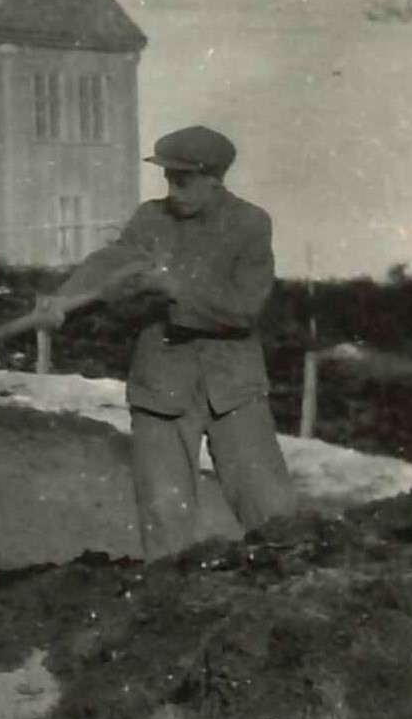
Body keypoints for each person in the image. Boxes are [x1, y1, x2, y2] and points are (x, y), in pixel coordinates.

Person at [43, 124, 298, 558]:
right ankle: (170, 597)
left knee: (269, 508)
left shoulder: (250, 224)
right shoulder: (150, 219)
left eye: (183, 180)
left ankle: (295, 588)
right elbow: (110, 263)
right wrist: (65, 298)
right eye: (168, 179)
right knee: (164, 517)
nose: (172, 190)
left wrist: (175, 288)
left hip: (233, 387)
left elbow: (244, 307)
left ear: (213, 179)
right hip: (161, 385)